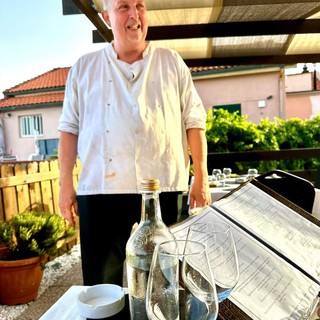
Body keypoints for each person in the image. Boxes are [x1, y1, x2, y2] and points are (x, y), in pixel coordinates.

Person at [57, 0, 211, 286]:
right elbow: (69, 129)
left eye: (139, 5)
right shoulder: (84, 68)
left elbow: (195, 120)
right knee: (102, 286)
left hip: (165, 184)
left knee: (167, 281)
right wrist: (65, 183)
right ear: (106, 17)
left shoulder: (171, 62)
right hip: (101, 187)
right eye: (123, 6)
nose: (134, 14)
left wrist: (200, 176)